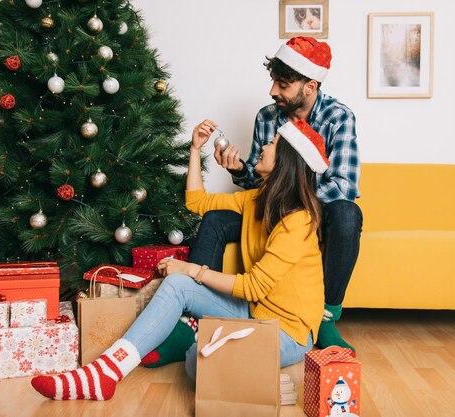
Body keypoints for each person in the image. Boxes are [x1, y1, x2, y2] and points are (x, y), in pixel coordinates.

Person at [30, 119, 327, 401]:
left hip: (288, 332)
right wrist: (195, 149)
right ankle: (105, 372)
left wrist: (192, 268)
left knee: (196, 361)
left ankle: (195, 340)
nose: (263, 147)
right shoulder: (255, 200)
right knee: (175, 284)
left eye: (272, 143)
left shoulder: (298, 220)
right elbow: (196, 202)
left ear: (287, 160)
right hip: (253, 312)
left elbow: (253, 286)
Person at [144, 36, 362, 367]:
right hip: (272, 207)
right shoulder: (267, 117)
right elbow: (259, 182)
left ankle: (326, 318)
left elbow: (344, 185)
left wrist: (294, 203)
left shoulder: (338, 117)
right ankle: (191, 321)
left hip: (314, 214)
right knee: (216, 218)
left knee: (348, 213)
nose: (273, 91)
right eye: (273, 81)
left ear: (310, 85)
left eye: (283, 84)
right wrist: (239, 169)